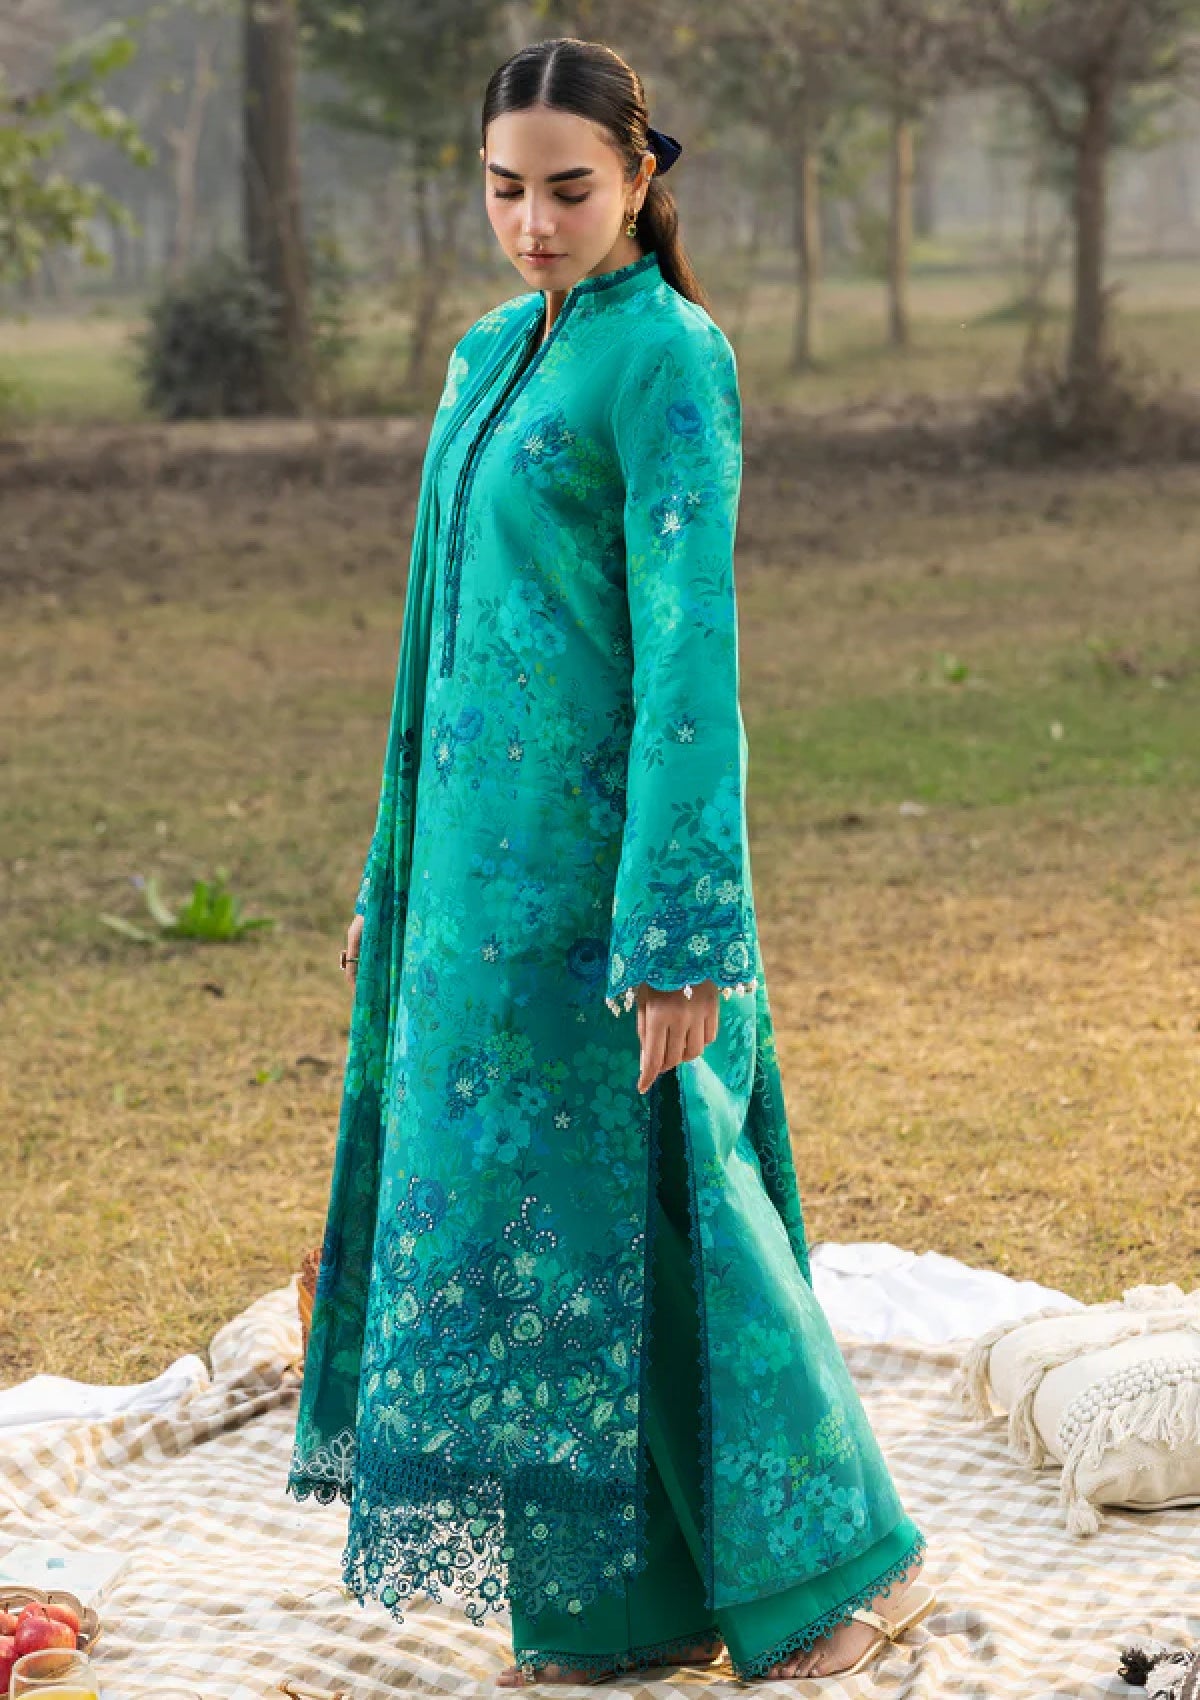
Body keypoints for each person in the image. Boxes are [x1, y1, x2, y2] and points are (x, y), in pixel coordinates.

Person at [285, 35, 937, 1686]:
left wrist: (682, 929)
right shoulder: (487, 355)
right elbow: (437, 649)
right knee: (532, 1235)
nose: (533, 221)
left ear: (642, 177)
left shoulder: (670, 360)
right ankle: (618, 1607)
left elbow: (689, 658)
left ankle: (841, 1574)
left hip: (612, 886)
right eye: (504, 189)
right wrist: (392, 875)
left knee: (672, 1208)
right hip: (469, 890)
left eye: (568, 188)